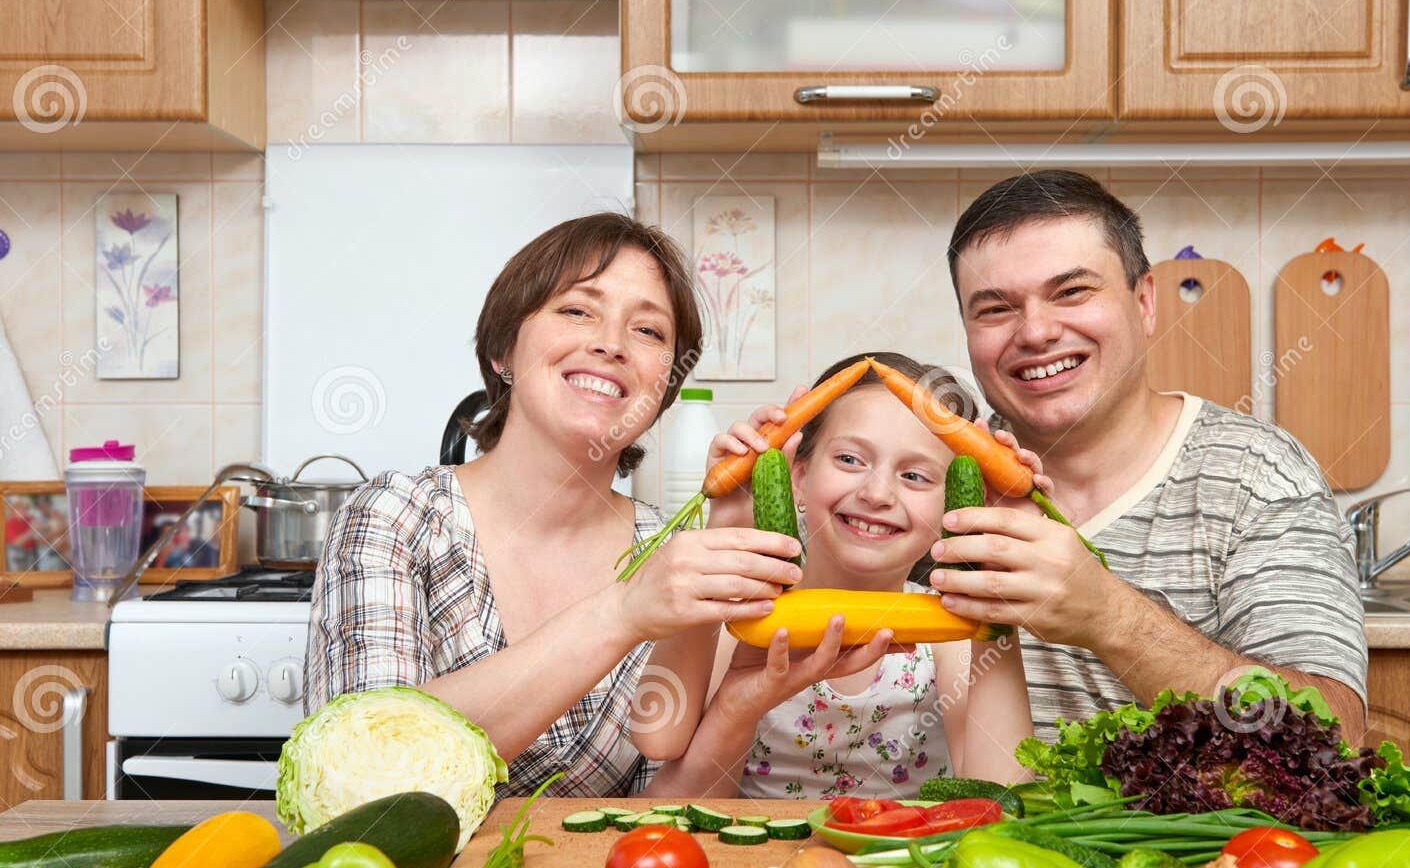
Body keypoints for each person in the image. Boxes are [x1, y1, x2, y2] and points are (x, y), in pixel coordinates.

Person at [304, 212, 802, 797]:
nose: (611, 344)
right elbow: (363, 769)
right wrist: (621, 613)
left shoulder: (672, 554)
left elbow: (669, 814)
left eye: (648, 332)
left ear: (664, 388)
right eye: (576, 310)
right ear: (502, 350)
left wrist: (725, 532)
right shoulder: (392, 517)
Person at [930, 171, 1368, 739]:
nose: (1035, 332)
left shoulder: (1258, 476)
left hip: (1196, 831)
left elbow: (1337, 735)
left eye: (1071, 292)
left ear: (1144, 302)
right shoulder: (925, 473)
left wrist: (1110, 617)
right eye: (994, 309)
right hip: (969, 827)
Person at [634, 352, 1037, 800]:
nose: (877, 493)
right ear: (799, 478)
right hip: (748, 864)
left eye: (915, 475)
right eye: (849, 459)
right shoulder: (744, 615)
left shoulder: (953, 636)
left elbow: (1001, 793)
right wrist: (725, 527)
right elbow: (658, 737)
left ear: (953, 508)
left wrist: (997, 578)